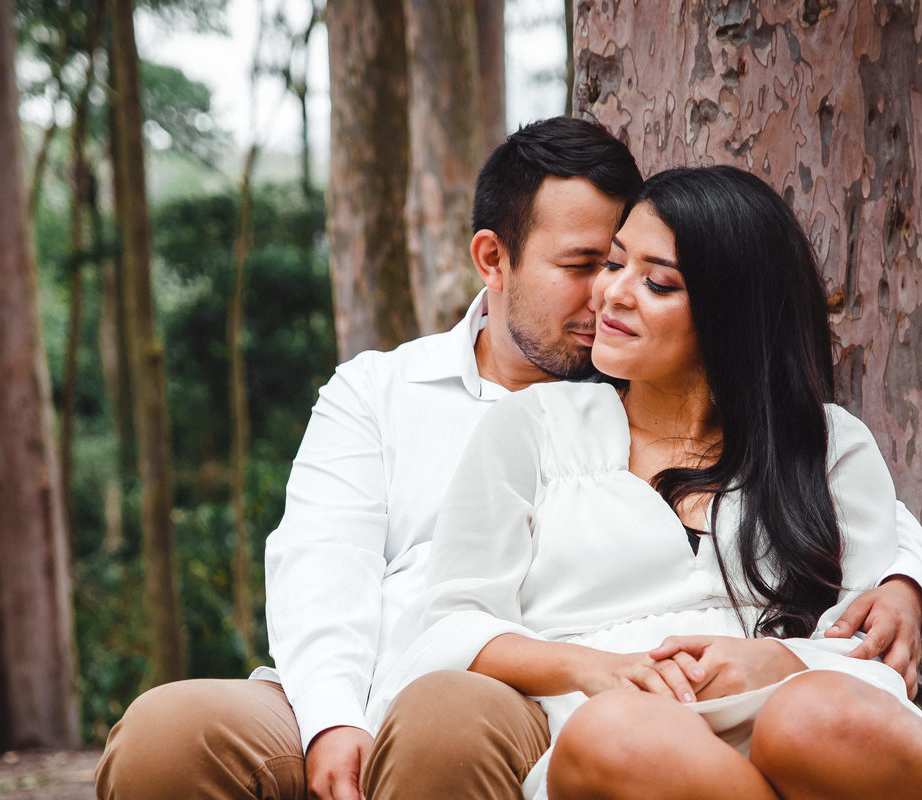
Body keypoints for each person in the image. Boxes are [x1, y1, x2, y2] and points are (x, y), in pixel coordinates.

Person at [94, 120, 922, 800]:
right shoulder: (385, 392)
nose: (607, 294)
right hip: (385, 686)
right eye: (589, 266)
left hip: (513, 706)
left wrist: (904, 580)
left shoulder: (774, 428)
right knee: (169, 734)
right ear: (493, 260)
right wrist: (332, 719)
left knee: (448, 719)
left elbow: (840, 510)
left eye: (635, 266)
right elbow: (322, 569)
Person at [364, 166, 922, 800]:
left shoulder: (826, 443)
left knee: (816, 717)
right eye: (612, 263)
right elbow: (452, 625)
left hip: (791, 708)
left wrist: (782, 659)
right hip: (611, 738)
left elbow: (876, 640)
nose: (611, 294)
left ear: (733, 314)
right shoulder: (533, 428)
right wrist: (598, 669)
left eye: (657, 283)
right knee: (619, 734)